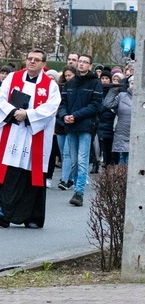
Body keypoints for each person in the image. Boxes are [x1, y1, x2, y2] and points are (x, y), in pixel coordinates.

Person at [0, 49, 60, 229]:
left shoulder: (50, 86)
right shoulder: (13, 78)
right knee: (9, 173)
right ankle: (3, 212)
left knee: (31, 176)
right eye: (29, 58)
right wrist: (13, 112)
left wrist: (28, 114)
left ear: (43, 64)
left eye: (36, 60)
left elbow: (51, 108)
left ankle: (33, 217)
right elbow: (0, 97)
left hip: (35, 135)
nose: (32, 62)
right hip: (12, 133)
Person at [57, 54, 102, 207]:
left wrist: (75, 116)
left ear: (90, 66)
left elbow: (95, 106)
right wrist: (64, 115)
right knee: (74, 161)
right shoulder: (70, 83)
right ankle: (77, 186)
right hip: (70, 126)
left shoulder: (95, 83)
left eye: (85, 62)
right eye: (80, 62)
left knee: (82, 160)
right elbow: (62, 103)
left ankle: (79, 191)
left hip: (85, 126)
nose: (82, 64)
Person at [106, 77, 133, 165]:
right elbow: (108, 104)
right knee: (122, 158)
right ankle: (122, 177)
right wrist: (114, 90)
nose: (134, 86)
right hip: (122, 130)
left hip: (136, 132)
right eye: (132, 83)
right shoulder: (122, 95)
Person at [97, 69, 116, 168]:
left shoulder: (112, 91)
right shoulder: (99, 90)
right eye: (102, 78)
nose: (104, 80)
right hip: (101, 122)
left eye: (106, 78)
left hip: (109, 122)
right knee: (102, 146)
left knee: (110, 147)